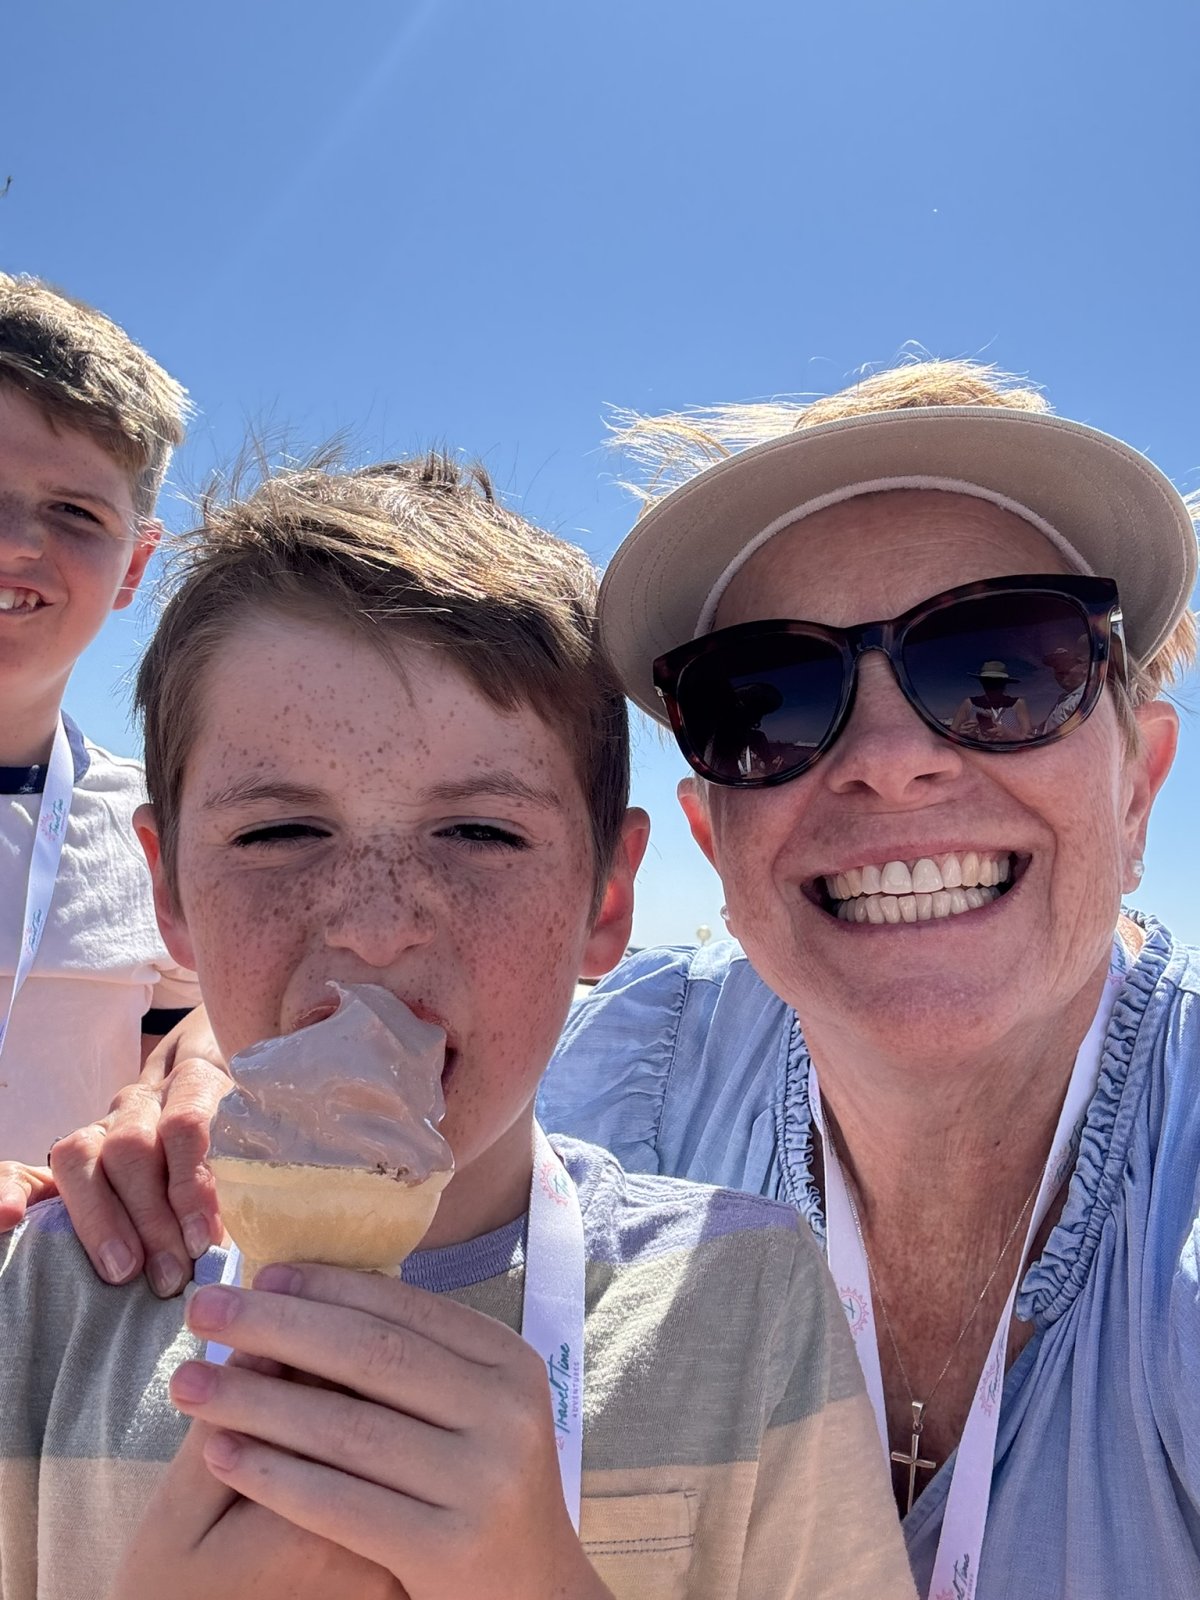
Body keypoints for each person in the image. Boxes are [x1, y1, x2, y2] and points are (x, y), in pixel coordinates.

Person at [18, 359, 1200, 1598]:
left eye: (1002, 672)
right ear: (708, 839)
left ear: (1141, 784)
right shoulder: (646, 1049)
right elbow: (406, 997)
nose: (892, 760)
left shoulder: (748, 1296)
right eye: (769, 696)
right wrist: (215, 1059)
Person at [0, 453, 915, 1600]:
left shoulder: (744, 1298)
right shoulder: (50, 1296)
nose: (377, 925)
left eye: (480, 833)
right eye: (279, 832)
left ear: (607, 900)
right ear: (167, 887)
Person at [0, 274, 201, 1207]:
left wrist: (204, 1054)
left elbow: (185, 1034)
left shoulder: (154, 828)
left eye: (76, 513)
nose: (15, 544)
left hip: (72, 1293)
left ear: (134, 568)